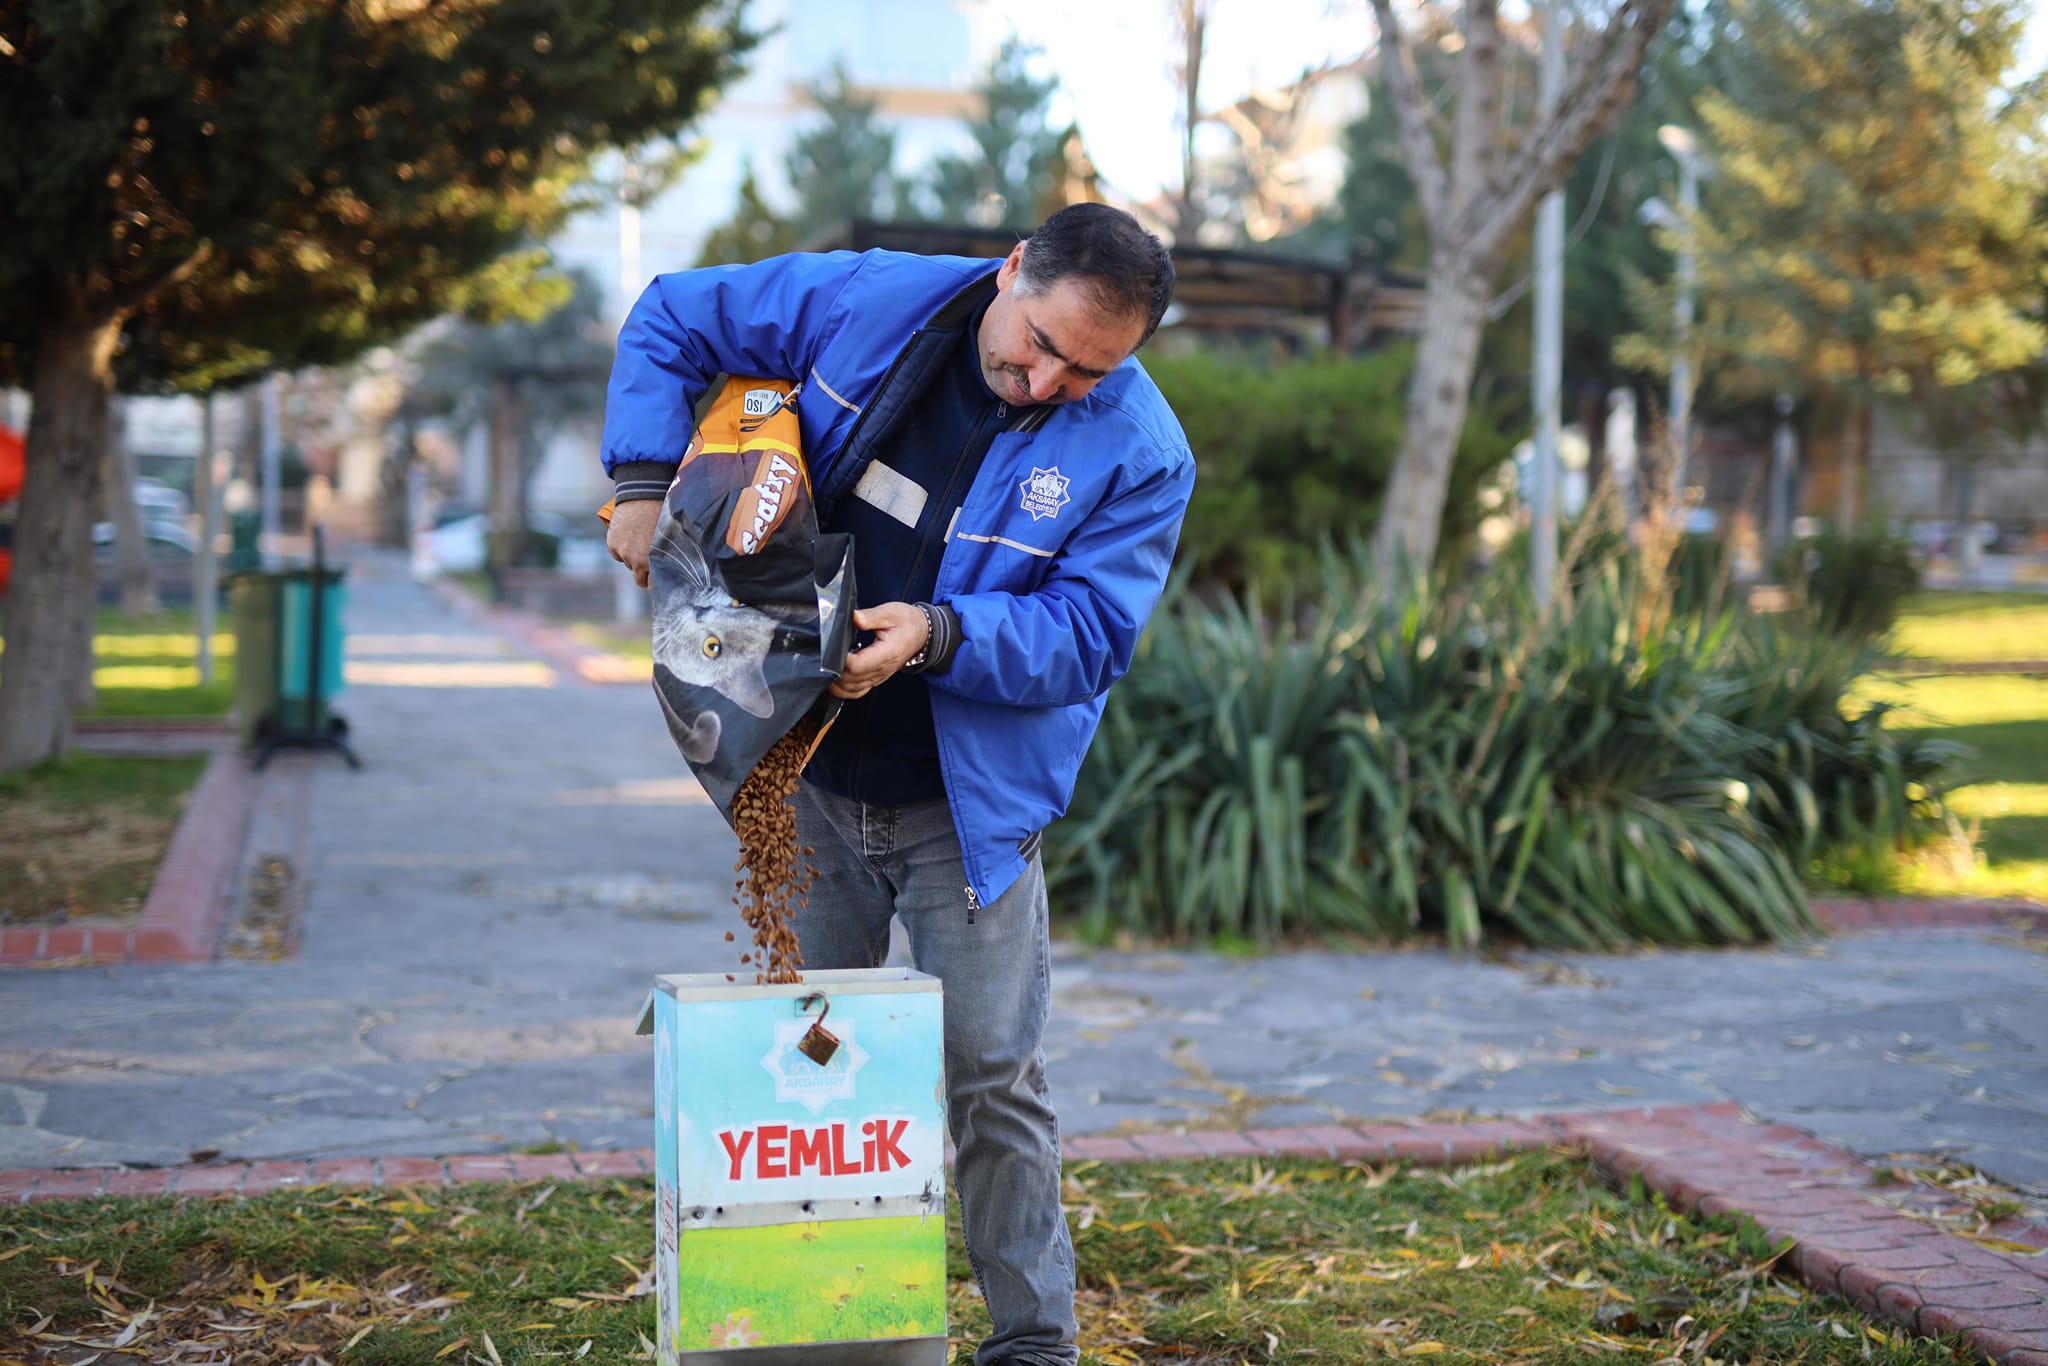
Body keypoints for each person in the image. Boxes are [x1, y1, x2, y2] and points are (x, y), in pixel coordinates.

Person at [601, 203, 1193, 1366]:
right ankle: (798, 1327)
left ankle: (1032, 1342)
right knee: (800, 1054)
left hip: (965, 813)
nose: (1043, 384)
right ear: (1010, 269)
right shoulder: (869, 299)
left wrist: (933, 633)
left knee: (989, 1073)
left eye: (1086, 371)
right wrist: (636, 480)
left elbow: (1087, 636)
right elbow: (672, 315)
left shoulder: (1140, 448)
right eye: (1036, 345)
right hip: (805, 777)